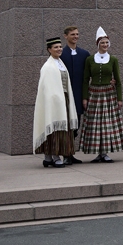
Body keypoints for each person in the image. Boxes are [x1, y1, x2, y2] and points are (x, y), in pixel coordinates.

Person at [80, 27, 123, 162]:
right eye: (102, 43)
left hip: (108, 94)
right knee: (95, 123)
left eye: (106, 43)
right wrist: (85, 97)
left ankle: (104, 153)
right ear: (98, 44)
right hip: (94, 93)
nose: (105, 45)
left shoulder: (113, 59)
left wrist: (119, 98)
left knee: (107, 123)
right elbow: (85, 80)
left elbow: (118, 80)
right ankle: (97, 152)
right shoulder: (89, 59)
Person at [33, 37, 79, 168]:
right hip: (53, 102)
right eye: (55, 47)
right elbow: (46, 88)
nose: (59, 49)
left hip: (63, 99)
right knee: (54, 128)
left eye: (60, 47)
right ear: (49, 50)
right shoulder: (48, 66)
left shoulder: (60, 63)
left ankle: (49, 157)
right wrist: (55, 100)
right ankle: (53, 155)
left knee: (62, 130)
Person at [60, 25, 89, 164]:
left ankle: (70, 154)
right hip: (64, 95)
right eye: (72, 34)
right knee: (66, 126)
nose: (75, 37)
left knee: (75, 125)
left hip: (78, 95)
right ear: (66, 36)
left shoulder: (84, 54)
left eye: (77, 34)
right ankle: (66, 154)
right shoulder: (60, 54)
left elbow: (90, 74)